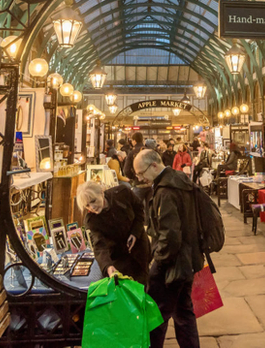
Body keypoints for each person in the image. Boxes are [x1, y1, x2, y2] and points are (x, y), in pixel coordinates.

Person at [133, 149, 202, 348]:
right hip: (188, 260)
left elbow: (170, 236)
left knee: (156, 315)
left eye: (141, 172)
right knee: (183, 312)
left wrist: (158, 263)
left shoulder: (165, 191)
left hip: (172, 265)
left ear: (154, 165)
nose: (140, 178)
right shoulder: (180, 180)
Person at [76, 181, 151, 284]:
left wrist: (135, 233)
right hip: (118, 256)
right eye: (87, 206)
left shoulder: (122, 193)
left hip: (139, 246)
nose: (92, 207)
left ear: (102, 193)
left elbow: (139, 211)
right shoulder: (92, 220)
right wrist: (107, 266)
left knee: (143, 282)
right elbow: (99, 245)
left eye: (93, 201)